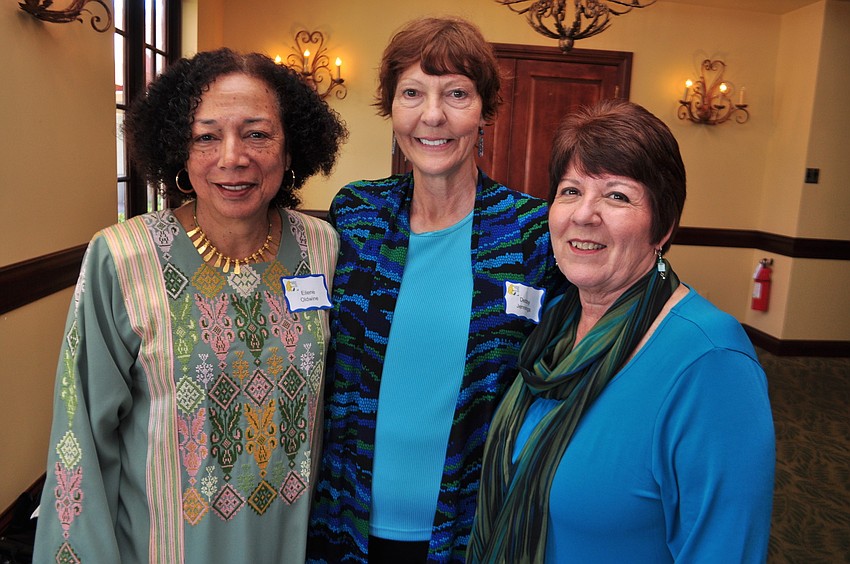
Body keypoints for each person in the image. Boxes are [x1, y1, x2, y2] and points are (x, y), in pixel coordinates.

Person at [33, 48, 348, 563]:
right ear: (178, 150)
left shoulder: (324, 248)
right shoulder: (122, 258)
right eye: (206, 136)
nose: (232, 157)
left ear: (290, 150)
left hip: (294, 546)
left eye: (257, 133)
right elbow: (82, 436)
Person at [467, 98, 776, 563]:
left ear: (663, 226)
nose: (584, 214)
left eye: (617, 195)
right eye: (570, 191)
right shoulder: (553, 328)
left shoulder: (710, 361)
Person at [307, 16, 564, 564]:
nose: (433, 115)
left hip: (476, 524)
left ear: (486, 110)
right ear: (391, 109)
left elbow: (563, 371)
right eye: (412, 93)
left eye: (457, 94)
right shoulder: (358, 214)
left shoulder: (531, 231)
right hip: (343, 517)